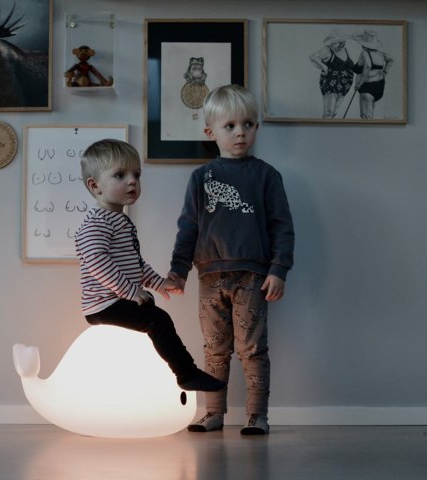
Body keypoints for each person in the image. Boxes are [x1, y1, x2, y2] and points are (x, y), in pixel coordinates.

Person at [168, 85, 295, 435]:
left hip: (252, 277)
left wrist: (279, 269)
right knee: (214, 349)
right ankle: (214, 412)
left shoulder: (267, 175)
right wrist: (178, 271)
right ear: (211, 132)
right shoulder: (201, 178)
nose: (241, 132)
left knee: (252, 349)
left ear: (256, 128)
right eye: (230, 126)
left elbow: (282, 226)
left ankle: (257, 415)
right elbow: (188, 227)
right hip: (210, 277)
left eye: (248, 124)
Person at [74, 139, 225, 393]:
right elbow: (97, 263)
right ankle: (186, 374)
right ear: (95, 185)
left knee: (152, 309)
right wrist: (130, 291)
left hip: (116, 299)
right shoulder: (96, 224)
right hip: (102, 304)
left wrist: (158, 283)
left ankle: (176, 374)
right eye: (120, 175)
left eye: (136, 175)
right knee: (158, 320)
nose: (132, 181)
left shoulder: (119, 220)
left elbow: (135, 263)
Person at [310, 29, 355, 118]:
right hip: (330, 85)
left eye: (343, 42)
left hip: (344, 87)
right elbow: (313, 57)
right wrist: (324, 67)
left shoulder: (345, 50)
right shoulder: (327, 50)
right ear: (332, 42)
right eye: (339, 42)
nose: (342, 44)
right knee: (329, 111)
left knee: (334, 113)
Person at [352, 30, 394, 119]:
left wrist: (359, 84)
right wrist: (385, 72)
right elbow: (391, 60)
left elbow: (367, 67)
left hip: (366, 87)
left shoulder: (364, 53)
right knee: (370, 114)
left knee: (365, 116)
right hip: (379, 85)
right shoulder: (381, 52)